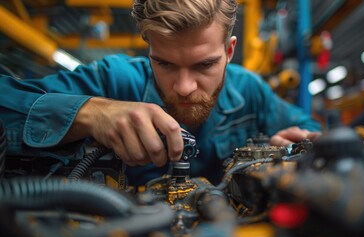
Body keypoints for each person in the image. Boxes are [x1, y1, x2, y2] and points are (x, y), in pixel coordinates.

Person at [0, 0, 320, 185]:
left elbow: (311, 130)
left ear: (229, 51)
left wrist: (297, 144)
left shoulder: (250, 91)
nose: (183, 87)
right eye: (164, 64)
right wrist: (90, 113)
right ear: (149, 49)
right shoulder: (115, 81)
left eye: (204, 65)